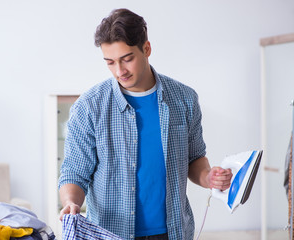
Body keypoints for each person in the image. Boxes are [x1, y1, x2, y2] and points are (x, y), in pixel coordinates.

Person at [58, 8, 232, 240]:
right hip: (111, 233)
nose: (119, 71)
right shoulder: (89, 107)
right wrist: (71, 203)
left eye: (127, 59)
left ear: (146, 49)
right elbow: (74, 172)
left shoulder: (184, 99)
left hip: (174, 232)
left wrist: (208, 177)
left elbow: (195, 158)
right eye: (110, 62)